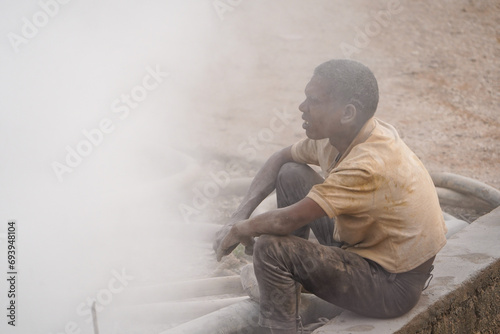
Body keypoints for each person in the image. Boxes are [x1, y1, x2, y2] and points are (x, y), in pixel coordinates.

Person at [213, 59, 447, 334]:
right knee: (290, 172)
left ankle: (281, 329)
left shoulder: (367, 164)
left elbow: (288, 221)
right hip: (361, 247)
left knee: (270, 248)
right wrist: (238, 214)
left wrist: (243, 228)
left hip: (391, 285)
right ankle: (291, 282)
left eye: (313, 100)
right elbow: (280, 157)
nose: (302, 108)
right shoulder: (341, 134)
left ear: (347, 113)